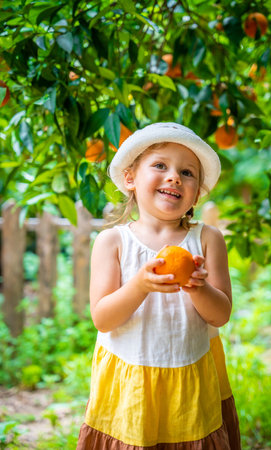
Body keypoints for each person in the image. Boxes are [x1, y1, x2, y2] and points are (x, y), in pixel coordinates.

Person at [77, 122, 241, 449]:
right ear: (130, 178)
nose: (174, 177)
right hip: (131, 385)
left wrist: (197, 287)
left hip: (189, 383)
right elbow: (103, 318)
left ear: (197, 191)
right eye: (160, 166)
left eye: (188, 172)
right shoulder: (113, 242)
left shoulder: (208, 239)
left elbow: (220, 315)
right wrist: (139, 284)